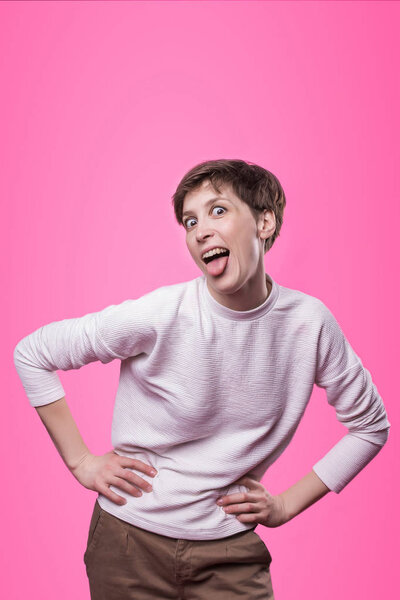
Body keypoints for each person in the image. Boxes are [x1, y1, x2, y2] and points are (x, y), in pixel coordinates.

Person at [13, 159, 391, 600]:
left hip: (231, 553)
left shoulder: (310, 324)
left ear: (264, 221)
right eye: (190, 221)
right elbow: (33, 353)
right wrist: (81, 461)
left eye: (217, 211)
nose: (200, 231)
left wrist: (285, 504)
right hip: (127, 543)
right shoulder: (161, 314)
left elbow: (370, 426)